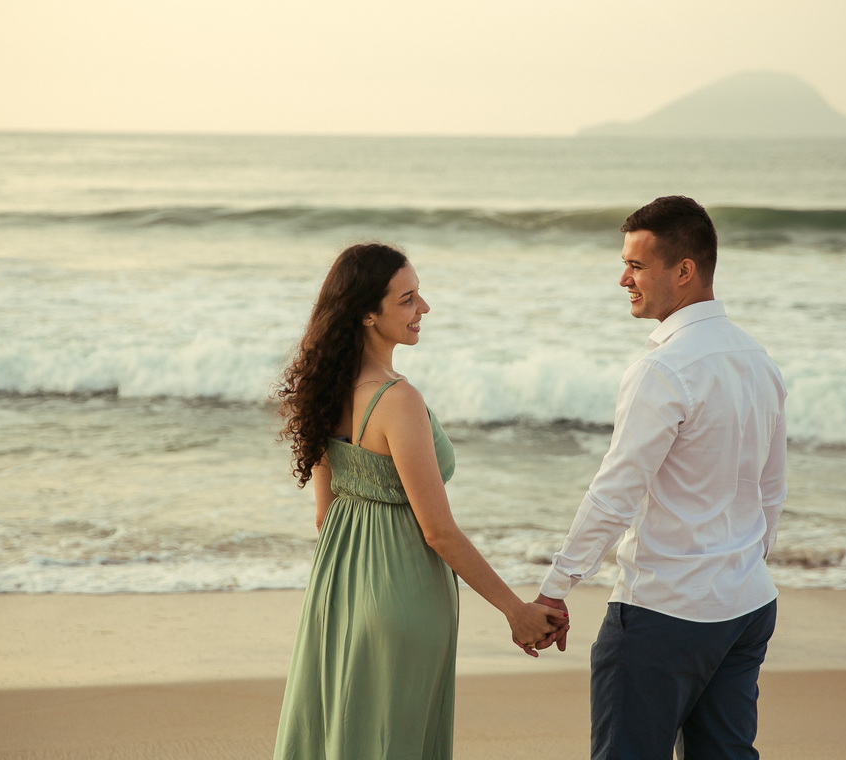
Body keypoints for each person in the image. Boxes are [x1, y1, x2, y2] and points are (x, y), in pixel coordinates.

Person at [272, 242, 566, 760]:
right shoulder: (396, 399)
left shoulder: (323, 388)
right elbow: (438, 531)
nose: (423, 308)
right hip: (404, 598)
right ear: (367, 313)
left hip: (336, 594)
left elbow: (325, 514)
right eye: (407, 299)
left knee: (342, 735)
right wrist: (514, 610)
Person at [532, 196, 787, 760]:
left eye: (636, 265)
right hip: (745, 607)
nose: (623, 278)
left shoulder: (662, 369)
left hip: (663, 613)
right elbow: (772, 488)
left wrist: (555, 589)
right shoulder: (757, 359)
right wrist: (741, 562)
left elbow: (616, 491)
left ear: (684, 271)